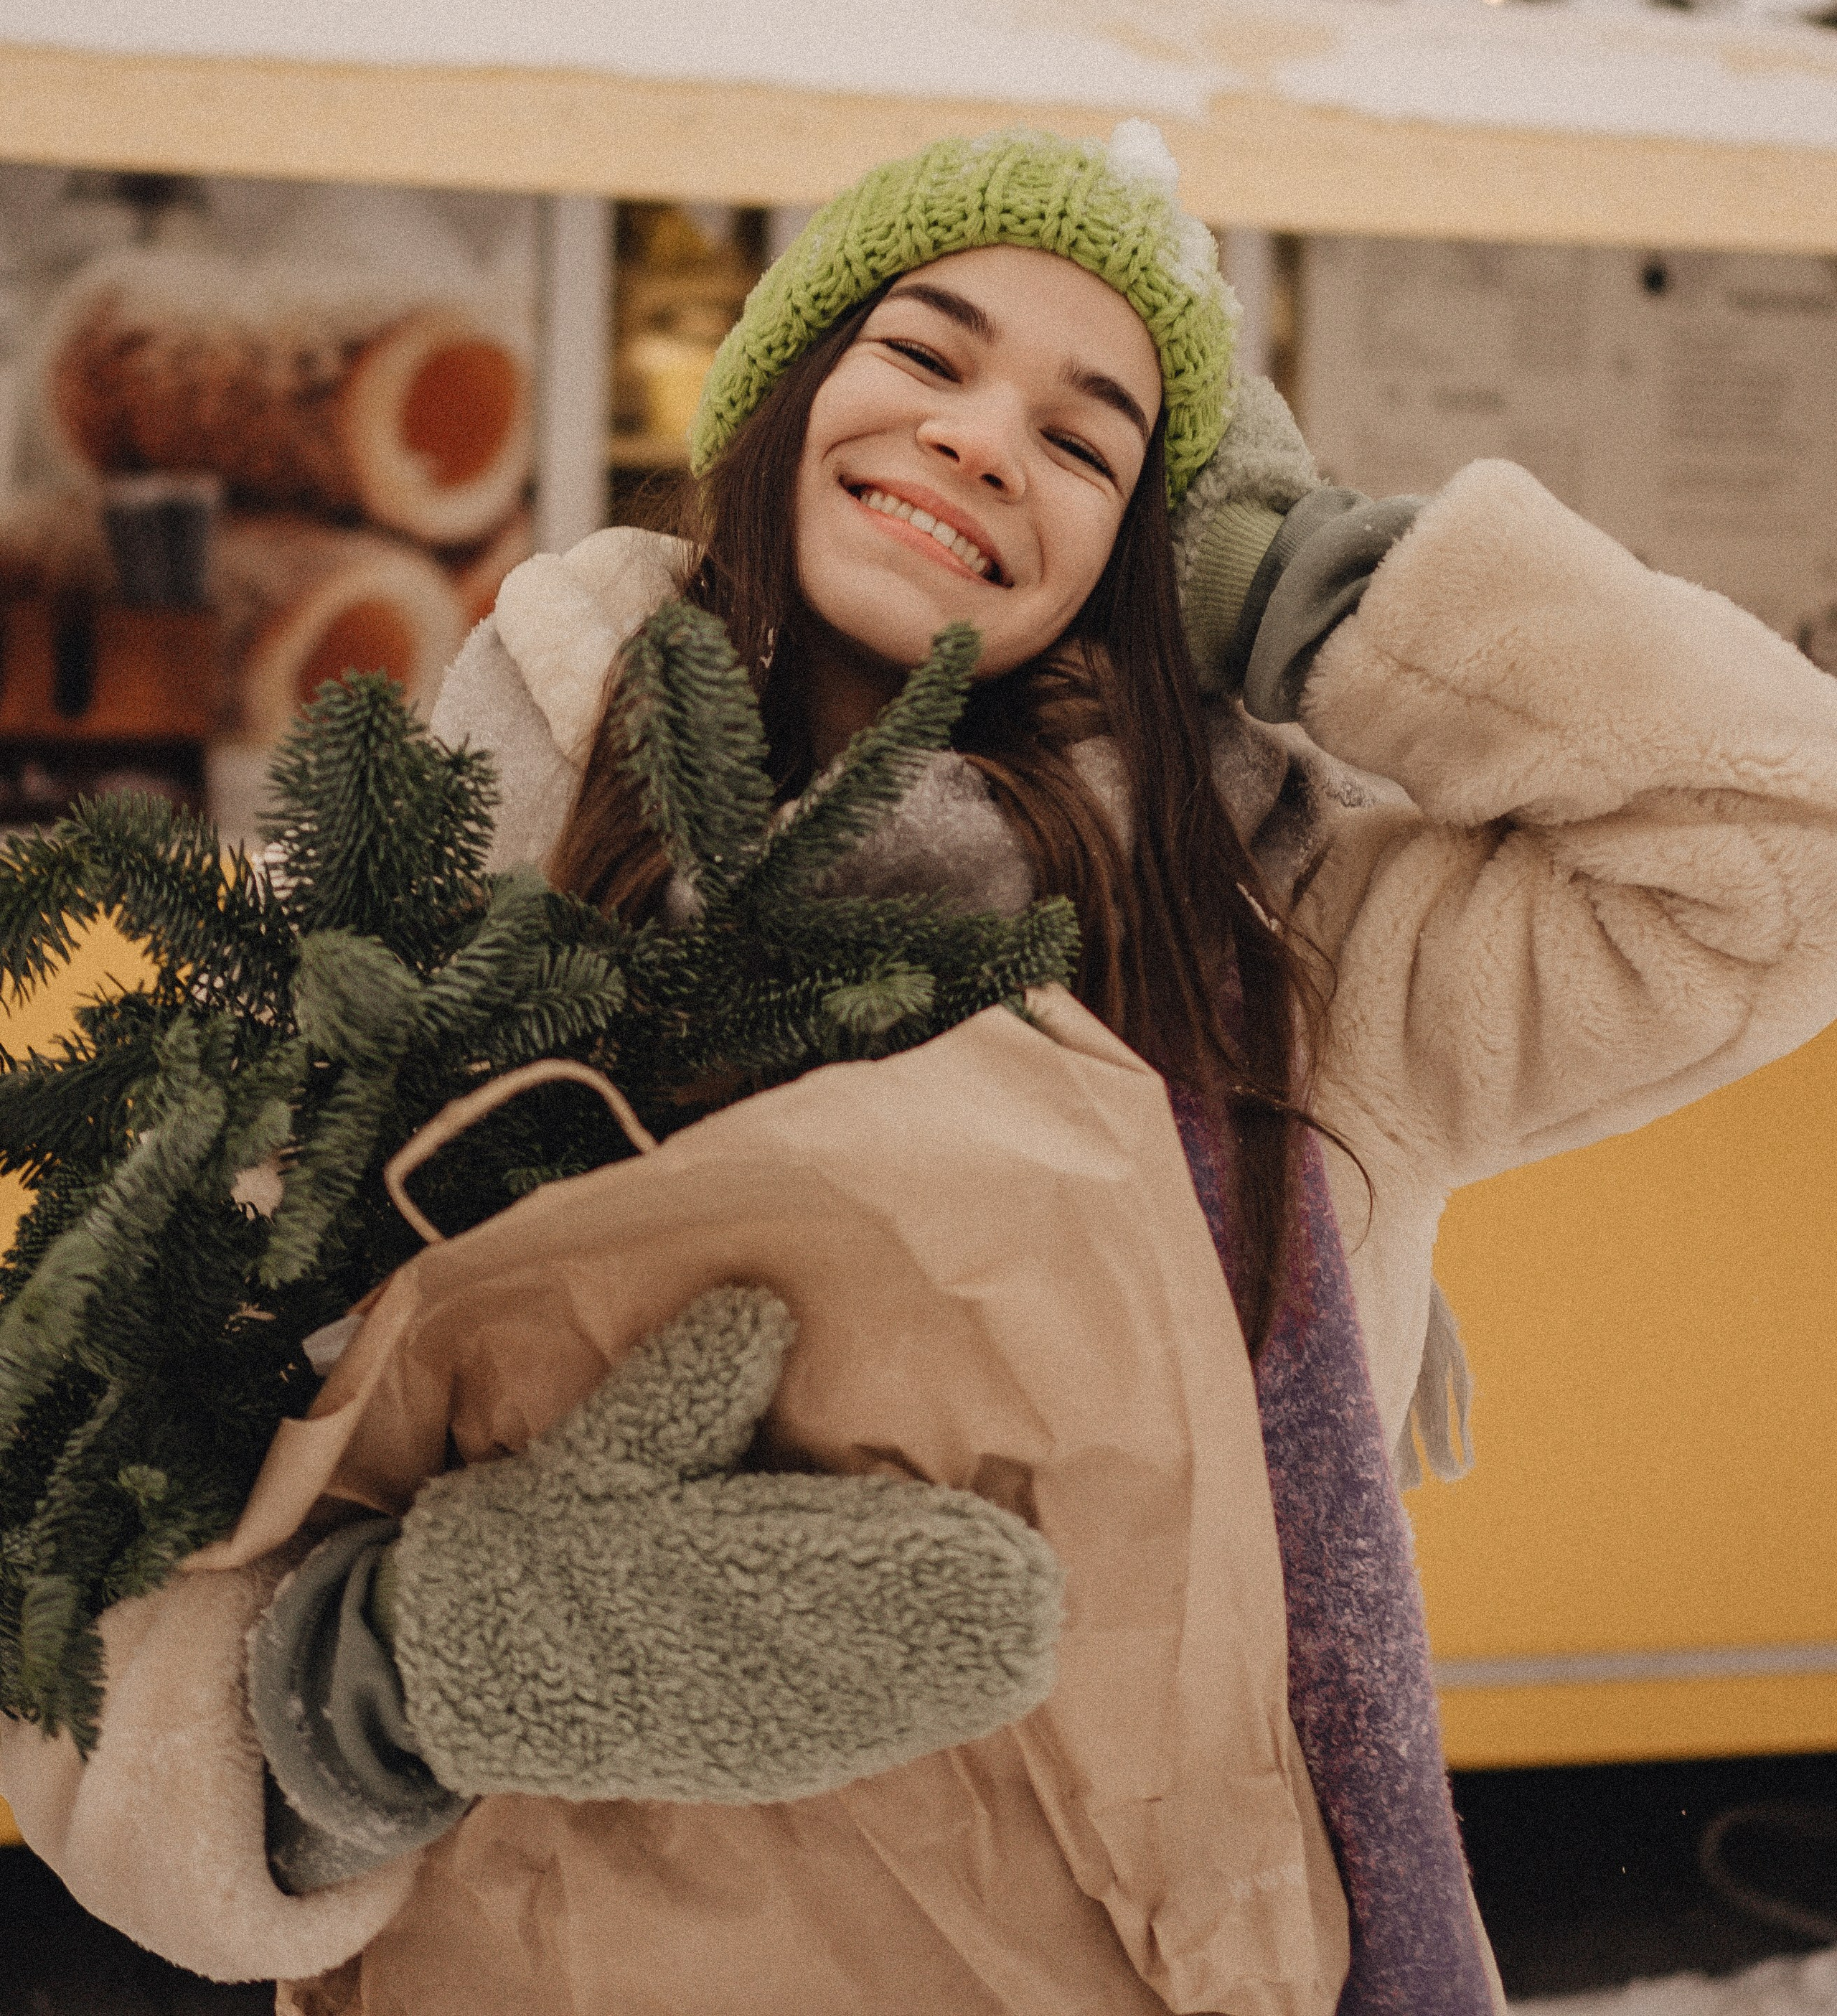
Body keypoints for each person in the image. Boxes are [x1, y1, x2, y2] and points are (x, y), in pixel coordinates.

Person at [9, 123, 1837, 2016]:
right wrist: (381, 1679)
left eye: (1085, 441)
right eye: (927, 354)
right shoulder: (445, 886)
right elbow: (89, 1561)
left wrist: (1318, 589)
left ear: (1154, 546)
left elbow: (1778, 857)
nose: (980, 439)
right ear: (791, 392)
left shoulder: (1296, 966)